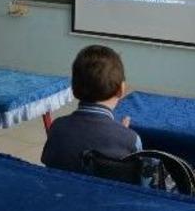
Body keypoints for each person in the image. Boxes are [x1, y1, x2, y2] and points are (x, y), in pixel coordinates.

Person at [41, 45, 141, 174]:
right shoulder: (130, 140)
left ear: (73, 89)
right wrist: (122, 133)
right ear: (121, 90)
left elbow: (49, 165)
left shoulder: (57, 127)